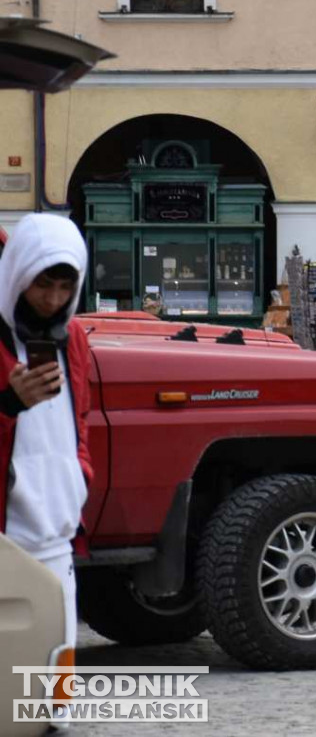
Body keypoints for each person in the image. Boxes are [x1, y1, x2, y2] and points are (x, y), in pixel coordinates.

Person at [0, 214, 93, 666]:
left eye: (64, 289)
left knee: (55, 676)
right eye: (43, 286)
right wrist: (8, 404)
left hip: (58, 532)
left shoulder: (72, 335)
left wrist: (80, 476)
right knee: (10, 674)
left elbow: (81, 418)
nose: (52, 300)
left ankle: (52, 715)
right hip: (7, 536)